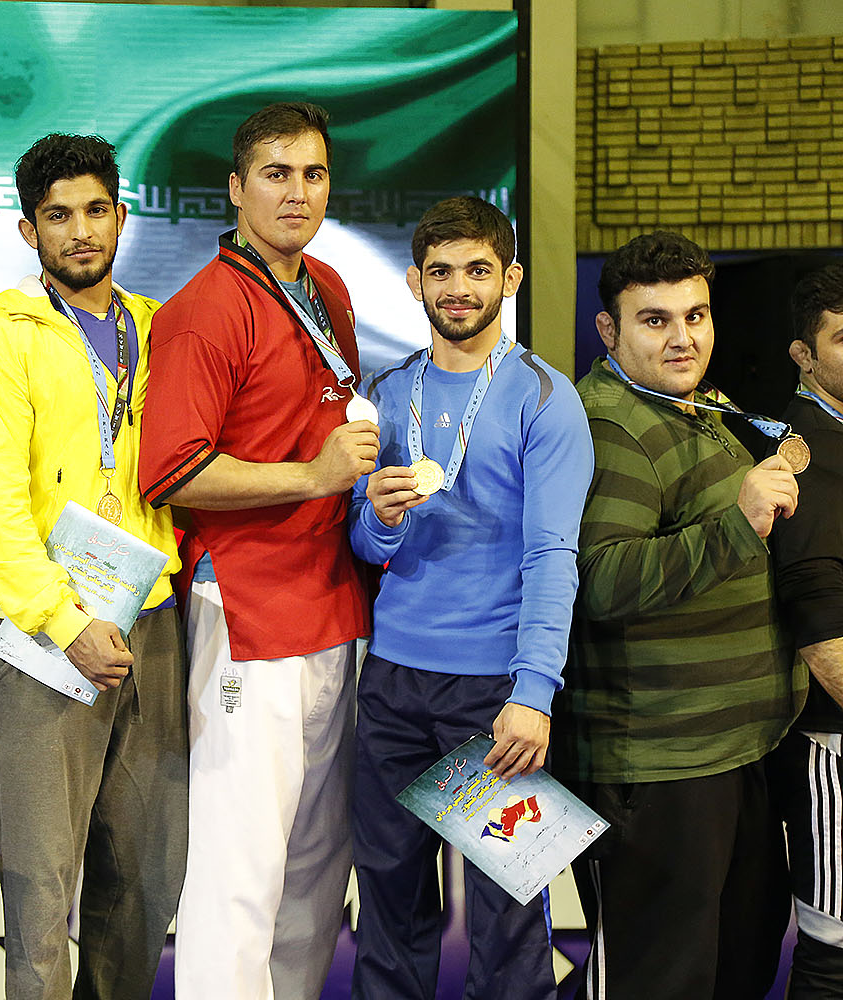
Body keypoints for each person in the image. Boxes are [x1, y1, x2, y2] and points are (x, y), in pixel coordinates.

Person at [138, 101, 374, 1000]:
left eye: (313, 174)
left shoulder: (329, 289)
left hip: (332, 604)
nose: (297, 192)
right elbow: (174, 472)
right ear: (236, 189)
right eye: (276, 174)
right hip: (245, 609)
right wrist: (314, 476)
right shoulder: (203, 310)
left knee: (316, 869)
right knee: (238, 873)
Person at [0, 133, 186, 1000]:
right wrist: (63, 621)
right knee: (42, 894)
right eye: (58, 216)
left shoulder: (160, 328)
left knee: (146, 880)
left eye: (95, 211)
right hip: (49, 635)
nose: (80, 231)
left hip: (153, 623)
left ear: (121, 217)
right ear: (28, 230)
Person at [346, 196, 590, 999]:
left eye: (478, 270)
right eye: (441, 271)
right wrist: (380, 521)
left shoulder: (544, 397)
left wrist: (533, 693)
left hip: (494, 694)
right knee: (388, 910)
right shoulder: (385, 393)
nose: (458, 287)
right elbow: (363, 543)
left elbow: (553, 557)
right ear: (414, 281)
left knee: (507, 923)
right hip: (392, 683)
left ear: (510, 279)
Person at [555, 230, 803, 998]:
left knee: (735, 968)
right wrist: (740, 523)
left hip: (734, 749)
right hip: (660, 766)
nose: (682, 337)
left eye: (695, 315)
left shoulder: (693, 401)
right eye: (655, 320)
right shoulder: (611, 425)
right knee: (659, 980)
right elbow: (600, 581)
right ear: (609, 329)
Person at [769, 261, 843, 998]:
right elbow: (824, 640)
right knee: (835, 952)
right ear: (804, 354)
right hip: (833, 742)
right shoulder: (803, 455)